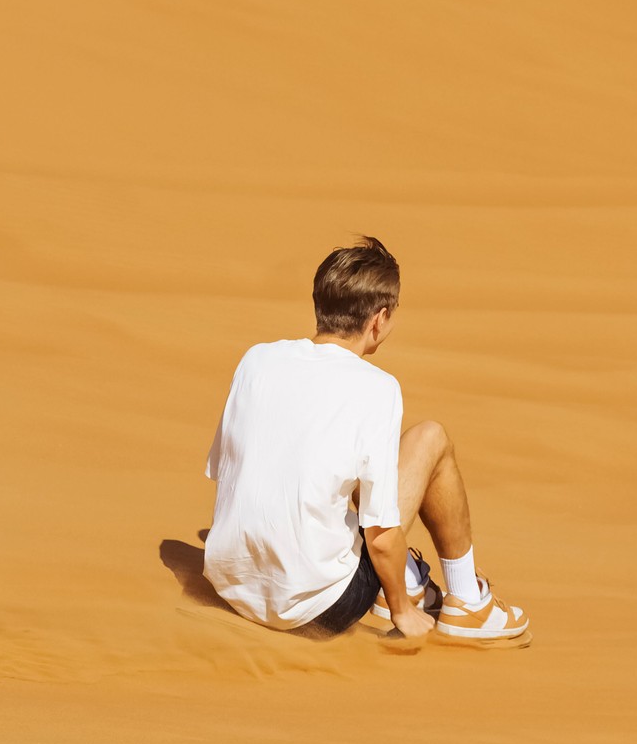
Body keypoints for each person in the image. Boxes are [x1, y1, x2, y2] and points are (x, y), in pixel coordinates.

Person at [201, 235, 529, 645]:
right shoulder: (377, 388)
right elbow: (381, 532)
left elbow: (225, 469)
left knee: (346, 462)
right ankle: (467, 603)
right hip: (318, 609)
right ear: (379, 318)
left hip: (232, 589)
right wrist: (401, 610)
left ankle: (409, 578)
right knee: (432, 439)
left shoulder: (257, 359)